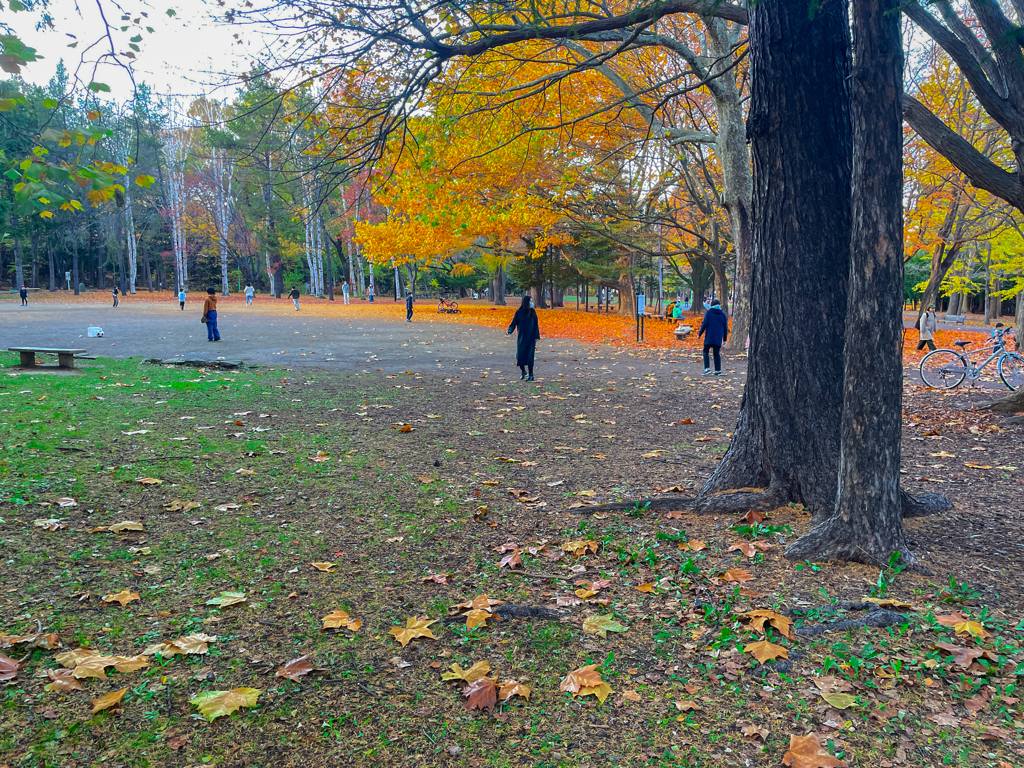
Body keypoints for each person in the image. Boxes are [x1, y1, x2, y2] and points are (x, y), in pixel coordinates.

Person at [507, 294, 541, 381]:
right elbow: (514, 323)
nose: (532, 303)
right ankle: (523, 371)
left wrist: (537, 336)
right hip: (522, 337)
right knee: (520, 355)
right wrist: (510, 331)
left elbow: (536, 325)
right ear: (526, 302)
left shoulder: (533, 312)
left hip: (531, 337)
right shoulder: (519, 312)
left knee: (530, 356)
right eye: (530, 301)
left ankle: (531, 375)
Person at [698, 298, 729, 375]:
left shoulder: (709, 313)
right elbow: (725, 327)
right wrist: (724, 339)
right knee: (716, 353)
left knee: (705, 351)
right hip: (718, 336)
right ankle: (718, 370)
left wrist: (700, 333)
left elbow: (704, 324)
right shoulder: (722, 314)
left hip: (709, 335)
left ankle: (707, 368)